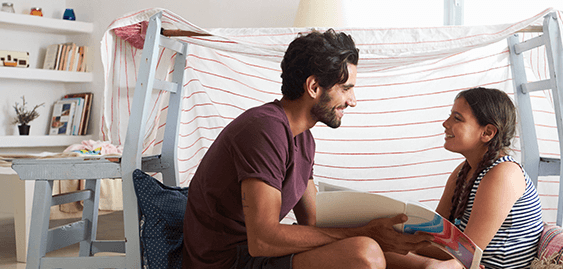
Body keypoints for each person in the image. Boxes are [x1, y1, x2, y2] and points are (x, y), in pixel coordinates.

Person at [182, 29, 432, 269]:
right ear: (313, 87)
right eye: (346, 88)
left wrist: (385, 232)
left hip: (255, 256)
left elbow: (313, 222)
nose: (352, 101)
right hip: (230, 262)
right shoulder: (264, 129)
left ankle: (431, 266)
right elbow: (263, 240)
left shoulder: (303, 139)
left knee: (369, 245)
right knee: (365, 254)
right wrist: (364, 233)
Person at [386, 87, 544, 269]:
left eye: (457, 118)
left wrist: (406, 244)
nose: (445, 124)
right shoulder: (463, 171)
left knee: (385, 250)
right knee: (374, 247)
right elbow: (433, 232)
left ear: (487, 133)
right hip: (462, 263)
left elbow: (467, 253)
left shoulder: (504, 173)